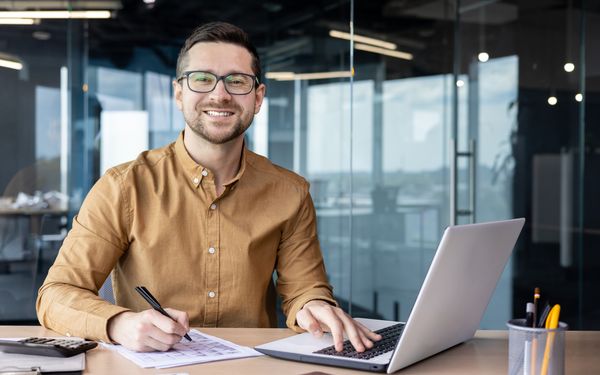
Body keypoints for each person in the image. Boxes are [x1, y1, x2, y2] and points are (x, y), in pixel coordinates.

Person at [36, 21, 381, 353]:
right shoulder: (124, 187)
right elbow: (55, 295)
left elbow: (305, 288)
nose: (220, 94)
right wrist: (119, 323)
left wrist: (313, 305)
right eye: (202, 79)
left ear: (258, 98)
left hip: (252, 368)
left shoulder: (290, 192)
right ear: (178, 93)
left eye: (237, 81)